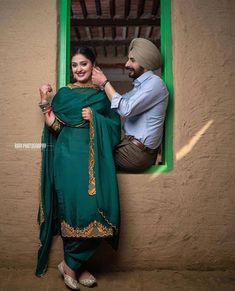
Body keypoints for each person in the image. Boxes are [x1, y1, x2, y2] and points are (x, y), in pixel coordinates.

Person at [36, 46, 121, 290]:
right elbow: (55, 127)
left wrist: (95, 117)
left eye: (83, 64)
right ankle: (78, 267)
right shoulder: (63, 95)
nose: (79, 69)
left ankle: (70, 265)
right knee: (72, 212)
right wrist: (44, 101)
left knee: (96, 211)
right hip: (67, 158)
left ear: (93, 66)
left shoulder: (101, 96)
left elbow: (116, 127)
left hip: (94, 160)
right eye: (74, 65)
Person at [92, 38, 169, 173]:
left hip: (138, 153)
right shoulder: (140, 86)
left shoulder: (155, 83)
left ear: (145, 62)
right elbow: (117, 103)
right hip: (130, 147)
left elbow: (125, 109)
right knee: (91, 150)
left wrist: (104, 82)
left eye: (132, 60)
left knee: (91, 157)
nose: (127, 64)